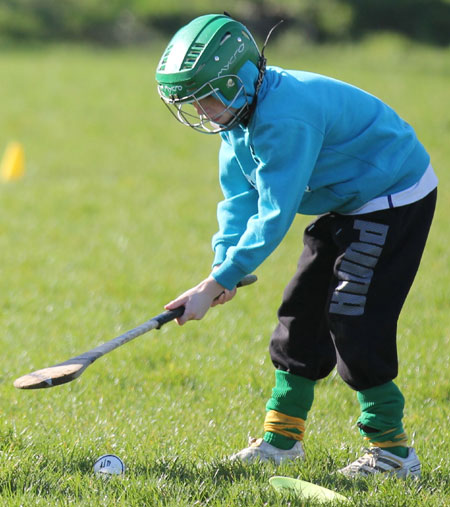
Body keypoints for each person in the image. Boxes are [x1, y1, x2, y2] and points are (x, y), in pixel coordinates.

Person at [155, 13, 437, 478]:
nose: (201, 110)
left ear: (239, 80)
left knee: (353, 318)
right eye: (192, 100)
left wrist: (216, 282)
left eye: (206, 97)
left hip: (392, 196)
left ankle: (393, 452)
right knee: (300, 312)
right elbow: (241, 197)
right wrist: (223, 267)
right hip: (348, 200)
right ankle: (281, 441)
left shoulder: (284, 117)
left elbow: (275, 213)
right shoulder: (238, 119)